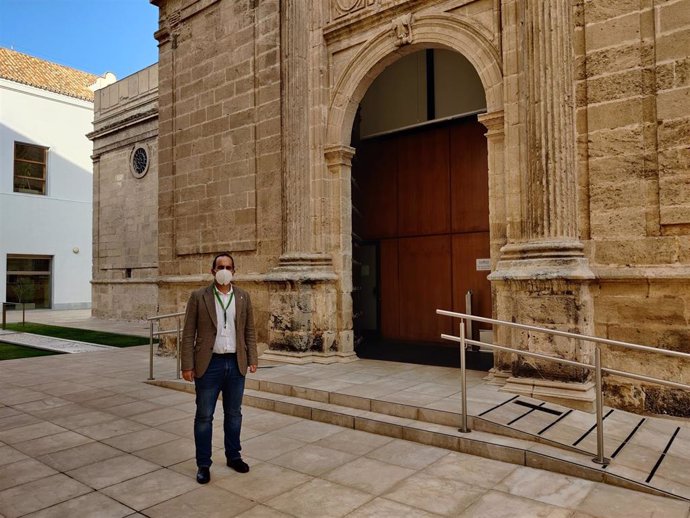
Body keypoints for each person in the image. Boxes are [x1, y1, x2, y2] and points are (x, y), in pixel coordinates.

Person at [181, 252, 257, 484]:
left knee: (234, 414)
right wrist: (187, 365)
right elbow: (188, 333)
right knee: (204, 416)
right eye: (220, 266)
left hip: (235, 363)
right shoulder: (199, 296)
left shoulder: (243, 297)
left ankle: (234, 455)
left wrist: (252, 358)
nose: (224, 270)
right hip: (209, 364)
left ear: (235, 270)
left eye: (228, 266)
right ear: (213, 270)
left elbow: (249, 331)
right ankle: (203, 464)